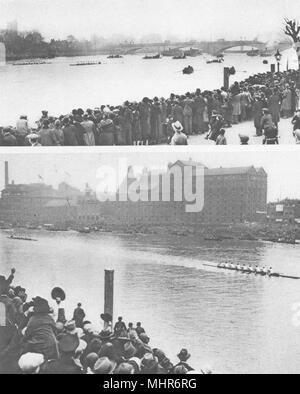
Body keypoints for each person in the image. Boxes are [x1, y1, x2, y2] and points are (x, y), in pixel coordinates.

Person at [23, 297, 59, 361]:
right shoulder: (49, 318)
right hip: (53, 346)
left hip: (40, 346)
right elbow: (55, 331)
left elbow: (27, 335)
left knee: (23, 345)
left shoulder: (33, 319)